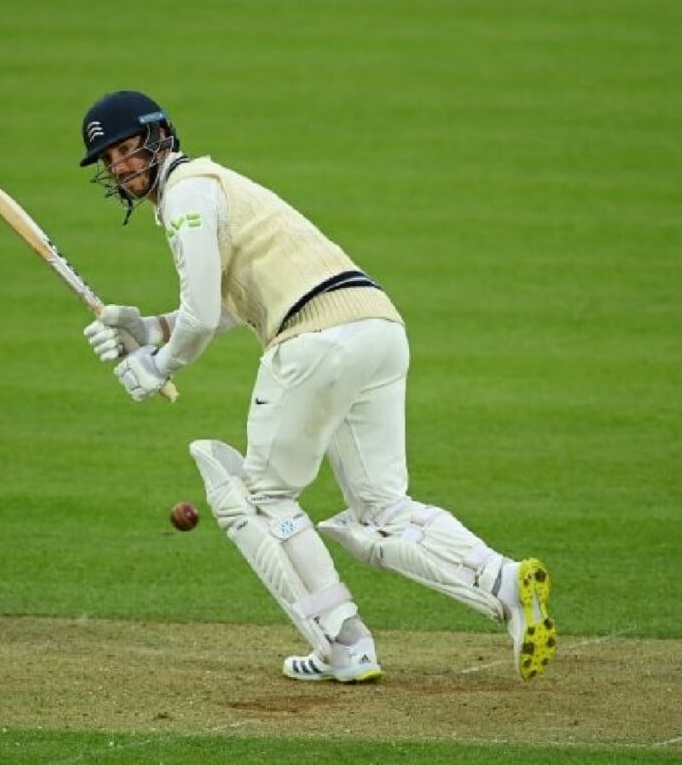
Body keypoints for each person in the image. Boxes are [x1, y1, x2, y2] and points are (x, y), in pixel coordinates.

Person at [77, 90, 556, 683]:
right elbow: (225, 308)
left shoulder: (186, 195)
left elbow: (200, 318)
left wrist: (157, 367)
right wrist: (147, 328)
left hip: (315, 339)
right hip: (377, 328)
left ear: (160, 137)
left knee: (256, 499)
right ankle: (505, 582)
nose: (121, 165)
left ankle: (344, 645)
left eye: (127, 148)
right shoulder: (214, 184)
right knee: (382, 508)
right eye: (109, 158)